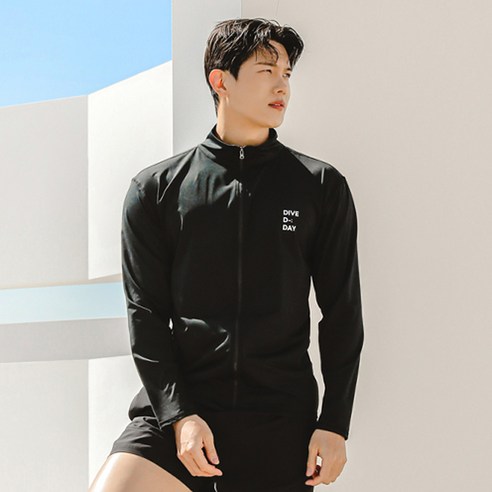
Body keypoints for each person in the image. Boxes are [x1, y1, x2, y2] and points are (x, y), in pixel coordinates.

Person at [89, 17, 364, 492]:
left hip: (279, 418)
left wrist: (335, 422)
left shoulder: (319, 187)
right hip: (182, 409)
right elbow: (145, 314)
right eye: (266, 71)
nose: (282, 86)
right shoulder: (156, 191)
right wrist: (179, 415)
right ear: (221, 81)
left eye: (287, 73)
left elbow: (342, 312)